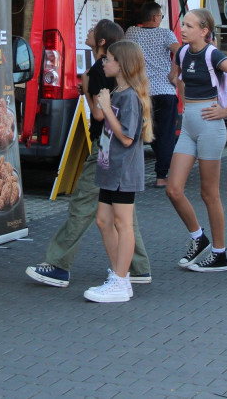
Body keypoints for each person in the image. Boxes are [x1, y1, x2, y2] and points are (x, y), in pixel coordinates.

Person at [26, 20, 152, 288]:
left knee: (86, 207)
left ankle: (62, 265)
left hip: (108, 154)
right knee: (118, 219)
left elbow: (122, 131)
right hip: (110, 154)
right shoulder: (121, 84)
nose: (88, 32)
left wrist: (89, 94)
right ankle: (133, 269)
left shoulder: (105, 78)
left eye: (94, 30)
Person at [166, 8, 227, 272]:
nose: (184, 28)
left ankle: (220, 253)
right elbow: (176, 78)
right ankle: (198, 238)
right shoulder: (181, 51)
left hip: (210, 126)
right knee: (173, 189)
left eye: (189, 26)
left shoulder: (213, 54)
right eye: (184, 24)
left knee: (209, 193)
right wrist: (183, 100)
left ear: (204, 31)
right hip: (189, 124)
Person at [83, 40, 154, 303]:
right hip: (109, 167)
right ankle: (118, 275)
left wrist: (105, 104)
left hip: (123, 170)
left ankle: (121, 281)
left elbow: (126, 137)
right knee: (103, 221)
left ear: (121, 64)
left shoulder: (130, 97)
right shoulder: (119, 92)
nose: (105, 62)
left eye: (109, 59)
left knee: (123, 224)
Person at [125, 2, 180, 188]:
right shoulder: (166, 34)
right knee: (165, 134)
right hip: (165, 91)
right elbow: (179, 51)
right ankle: (161, 176)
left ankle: (132, 176)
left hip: (141, 92)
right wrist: (174, 74)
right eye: (161, 16)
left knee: (140, 133)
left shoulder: (131, 33)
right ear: (156, 17)